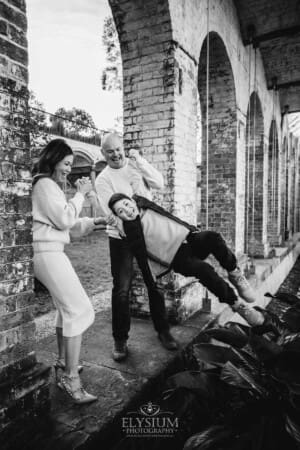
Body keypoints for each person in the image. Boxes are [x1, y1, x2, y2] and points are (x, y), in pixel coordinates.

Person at [107, 193, 265, 327]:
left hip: (188, 239)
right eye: (121, 211)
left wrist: (136, 158)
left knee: (212, 237)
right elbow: (111, 220)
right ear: (118, 216)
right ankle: (237, 305)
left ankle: (235, 273)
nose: (127, 210)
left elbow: (140, 177)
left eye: (127, 204)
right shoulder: (128, 230)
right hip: (177, 258)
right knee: (204, 270)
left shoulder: (144, 203)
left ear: (133, 201)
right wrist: (94, 200)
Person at [32, 138, 107, 404]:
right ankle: (71, 378)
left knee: (67, 310)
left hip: (52, 252)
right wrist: (80, 195)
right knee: (80, 309)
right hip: (47, 254)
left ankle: (64, 362)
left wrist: (94, 221)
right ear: (53, 160)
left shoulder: (49, 187)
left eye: (70, 165)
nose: (68, 170)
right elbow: (64, 218)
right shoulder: (44, 184)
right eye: (66, 164)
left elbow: (67, 225)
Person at [95, 132, 177, 362]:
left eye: (118, 149)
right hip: (120, 238)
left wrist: (139, 161)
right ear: (104, 153)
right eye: (110, 151)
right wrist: (131, 229)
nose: (116, 154)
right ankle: (120, 339)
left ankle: (163, 331)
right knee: (121, 289)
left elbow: (159, 184)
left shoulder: (135, 166)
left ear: (123, 147)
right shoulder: (103, 180)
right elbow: (112, 214)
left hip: (148, 233)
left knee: (155, 283)